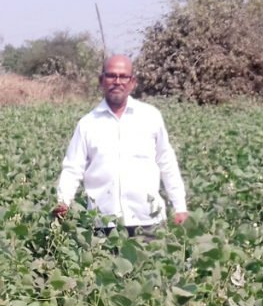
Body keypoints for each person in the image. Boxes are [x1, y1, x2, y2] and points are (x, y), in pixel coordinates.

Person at [53, 54, 187, 234]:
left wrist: (180, 205)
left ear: (132, 82)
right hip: (103, 223)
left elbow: (166, 162)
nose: (117, 81)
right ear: (101, 81)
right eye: (111, 76)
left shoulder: (150, 117)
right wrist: (63, 202)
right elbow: (72, 168)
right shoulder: (87, 124)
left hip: (148, 220)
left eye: (123, 76)